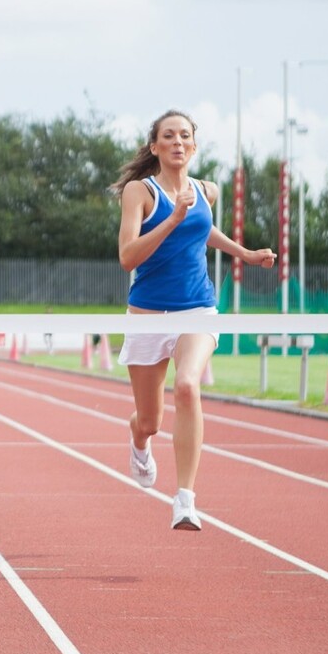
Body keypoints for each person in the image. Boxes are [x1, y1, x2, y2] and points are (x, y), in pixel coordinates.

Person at [112, 110, 275, 531]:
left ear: (194, 146)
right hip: (147, 314)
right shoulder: (139, 192)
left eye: (185, 135)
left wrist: (246, 254)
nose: (178, 142)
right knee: (149, 419)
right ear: (155, 147)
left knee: (187, 386)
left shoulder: (207, 191)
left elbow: (203, 232)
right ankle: (139, 440)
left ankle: (184, 499)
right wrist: (171, 218)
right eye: (169, 136)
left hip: (197, 308)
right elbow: (127, 257)